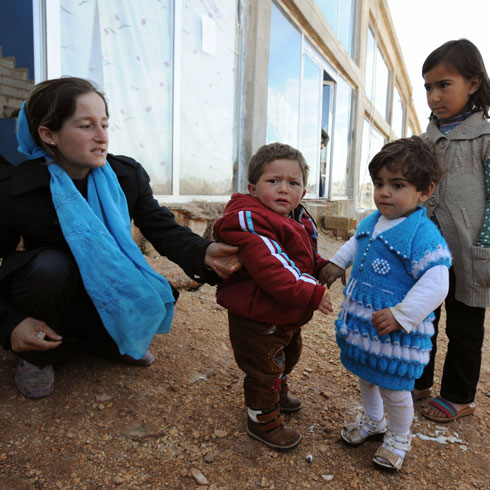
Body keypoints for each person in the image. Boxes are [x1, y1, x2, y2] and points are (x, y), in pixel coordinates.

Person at [0, 77, 240, 399]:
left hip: (102, 295)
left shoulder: (125, 176)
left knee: (138, 280)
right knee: (49, 267)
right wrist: (11, 322)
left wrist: (205, 251)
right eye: (86, 126)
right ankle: (37, 356)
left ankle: (112, 339)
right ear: (48, 134)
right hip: (55, 294)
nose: (102, 137)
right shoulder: (18, 190)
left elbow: (161, 227)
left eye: (104, 124)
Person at [321, 137, 452, 471]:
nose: (384, 192)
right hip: (365, 328)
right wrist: (337, 263)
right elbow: (356, 243)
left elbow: (437, 282)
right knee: (367, 377)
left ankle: (398, 436)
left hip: (396, 335)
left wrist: (401, 314)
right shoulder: (372, 220)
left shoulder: (422, 234)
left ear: (425, 191)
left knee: (395, 388)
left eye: (397, 185)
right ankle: (374, 421)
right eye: (379, 183)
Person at [213, 142, 333, 450]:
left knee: (288, 355)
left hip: (281, 314)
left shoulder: (295, 217)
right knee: (264, 368)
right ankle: (262, 419)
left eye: (292, 183)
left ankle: (277, 391)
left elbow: (300, 257)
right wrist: (313, 292)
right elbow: (274, 269)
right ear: (253, 188)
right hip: (257, 318)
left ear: (303, 192)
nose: (283, 189)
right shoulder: (252, 222)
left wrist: (323, 267)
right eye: (273, 181)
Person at [413, 39, 490, 423]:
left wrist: (487, 247)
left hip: (471, 253)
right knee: (423, 318)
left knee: (464, 328)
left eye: (445, 85)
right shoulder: (423, 142)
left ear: (473, 84)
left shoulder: (486, 138)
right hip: (425, 253)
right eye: (428, 87)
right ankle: (417, 379)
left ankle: (459, 396)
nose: (434, 96)